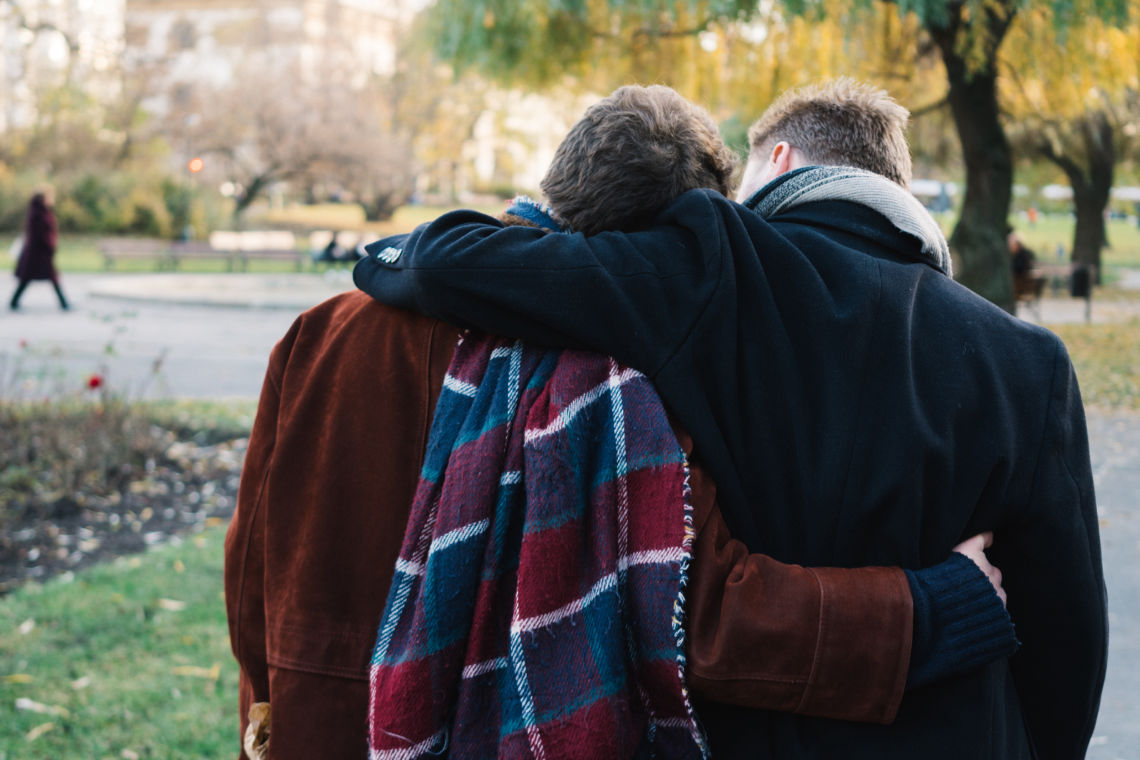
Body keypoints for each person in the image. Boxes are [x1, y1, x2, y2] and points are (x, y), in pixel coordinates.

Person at [227, 85, 1014, 759]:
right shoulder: (613, 381)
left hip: (318, 719)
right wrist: (939, 605)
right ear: (668, 242)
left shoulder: (327, 328)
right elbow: (703, 619)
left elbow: (251, 559)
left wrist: (269, 701)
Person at [10, 192, 69, 311]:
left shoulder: (40, 212)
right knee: (48, 277)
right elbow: (41, 234)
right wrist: (50, 245)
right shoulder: (38, 214)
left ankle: (14, 301)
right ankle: (64, 303)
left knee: (31, 278)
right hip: (38, 253)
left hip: (38, 252)